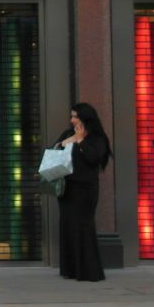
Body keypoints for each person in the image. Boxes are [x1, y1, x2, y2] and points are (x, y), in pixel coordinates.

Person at [54, 102, 111, 282]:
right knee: (68, 226)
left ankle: (89, 270)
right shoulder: (67, 134)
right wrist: (63, 143)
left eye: (75, 116)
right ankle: (70, 269)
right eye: (71, 116)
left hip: (85, 188)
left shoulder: (97, 137)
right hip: (67, 188)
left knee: (84, 226)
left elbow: (94, 158)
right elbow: (52, 153)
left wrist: (81, 141)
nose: (72, 120)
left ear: (85, 118)